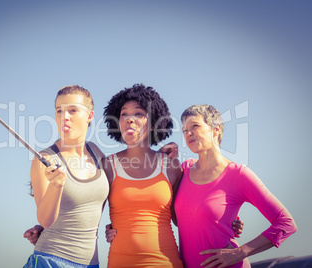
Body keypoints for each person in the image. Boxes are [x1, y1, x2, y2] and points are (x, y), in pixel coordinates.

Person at [23, 85, 178, 268]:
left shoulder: (96, 153)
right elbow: (47, 219)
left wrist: (158, 156)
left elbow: (107, 198)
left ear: (89, 116)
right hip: (51, 260)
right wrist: (54, 192)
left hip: (92, 264)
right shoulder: (48, 159)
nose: (64, 116)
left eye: (72, 110)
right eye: (59, 111)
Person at [175, 104, 297, 267]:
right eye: (184, 130)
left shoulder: (238, 175)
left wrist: (240, 252)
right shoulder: (184, 168)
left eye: (194, 126)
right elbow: (182, 219)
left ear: (215, 129)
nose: (188, 133)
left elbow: (286, 223)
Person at [101, 84, 184, 267]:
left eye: (138, 114)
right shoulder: (107, 166)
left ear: (154, 123)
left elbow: (183, 219)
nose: (130, 119)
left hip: (165, 262)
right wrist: (46, 231)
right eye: (124, 114)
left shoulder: (171, 166)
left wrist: (225, 221)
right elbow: (85, 212)